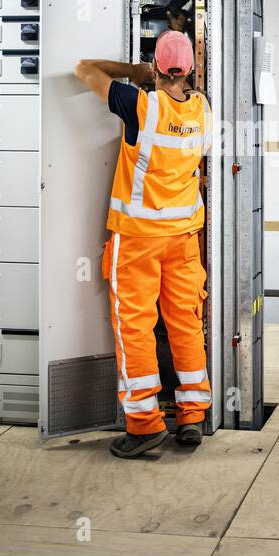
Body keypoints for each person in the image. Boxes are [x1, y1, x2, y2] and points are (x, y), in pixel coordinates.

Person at [74, 29, 213, 458]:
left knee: (135, 328)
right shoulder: (204, 110)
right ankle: (192, 416)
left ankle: (144, 425)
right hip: (184, 239)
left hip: (137, 241)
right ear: (190, 69)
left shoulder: (139, 104)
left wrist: (134, 72)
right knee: (185, 323)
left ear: (156, 66)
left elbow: (84, 69)